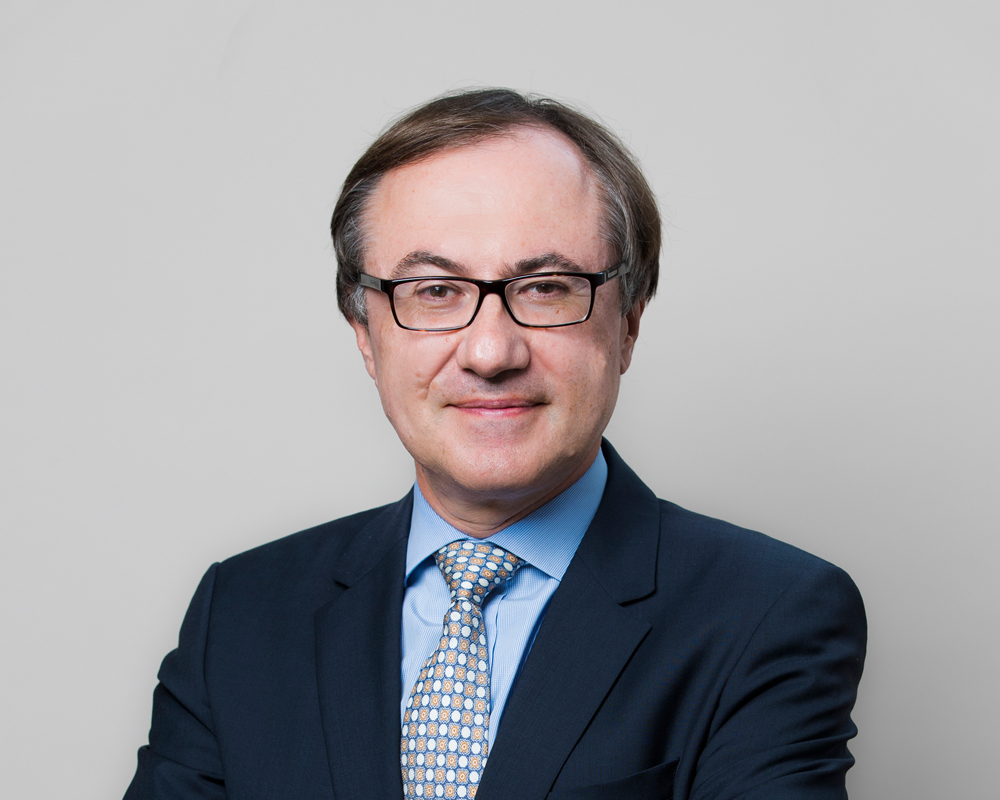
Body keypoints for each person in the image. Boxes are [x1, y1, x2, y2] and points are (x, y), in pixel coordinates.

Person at [125, 88, 866, 800]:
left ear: (628, 324)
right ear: (366, 335)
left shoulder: (768, 613)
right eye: (434, 292)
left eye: (547, 288)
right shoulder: (240, 614)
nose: (489, 352)